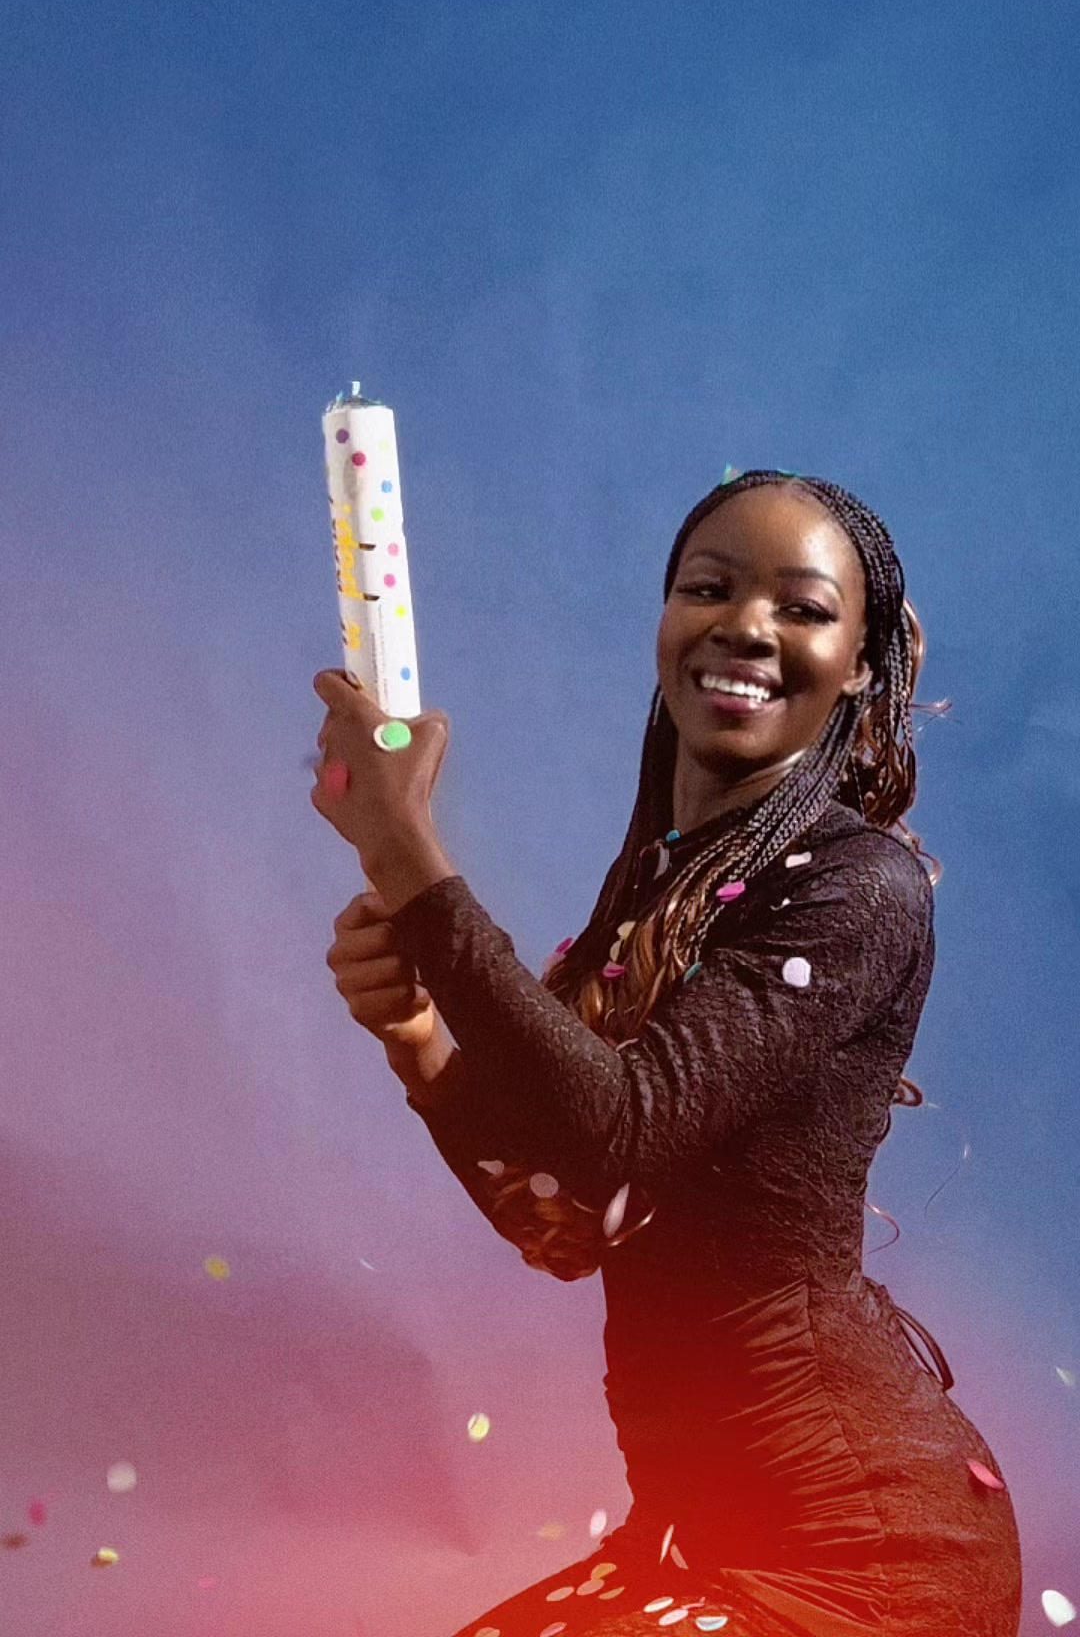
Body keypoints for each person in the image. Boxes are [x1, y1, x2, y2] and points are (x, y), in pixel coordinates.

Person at [312, 469, 1023, 1637]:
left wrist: (405, 849)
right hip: (694, 1542)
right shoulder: (665, 890)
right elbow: (567, 1223)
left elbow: (619, 1126)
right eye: (709, 588)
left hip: (867, 1570)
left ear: (860, 664)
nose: (746, 624)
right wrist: (418, 1038)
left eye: (803, 608)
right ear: (666, 621)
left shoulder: (862, 888)